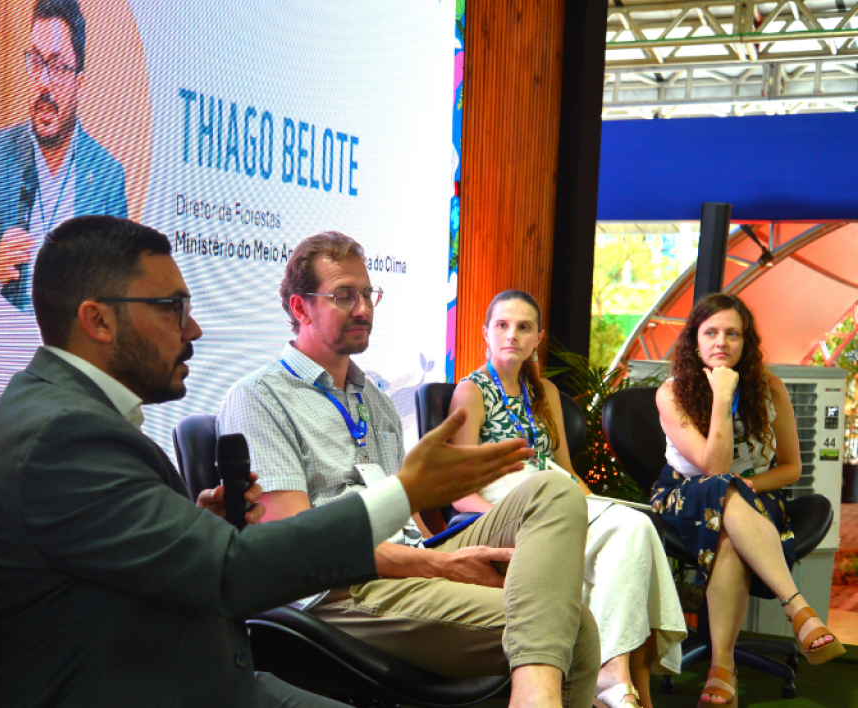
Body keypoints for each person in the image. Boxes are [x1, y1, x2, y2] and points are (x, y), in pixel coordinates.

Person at [0, 216, 533, 708]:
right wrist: (405, 493)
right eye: (172, 308)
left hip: (196, 672)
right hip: (149, 686)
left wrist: (198, 524)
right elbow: (230, 574)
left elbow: (133, 562)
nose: (194, 328)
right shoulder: (64, 436)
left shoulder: (63, 412)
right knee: (550, 629)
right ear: (98, 320)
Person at [217, 231, 601, 708]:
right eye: (344, 295)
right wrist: (440, 566)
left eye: (367, 294)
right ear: (301, 308)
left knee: (553, 490)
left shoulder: (374, 400)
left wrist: (443, 553)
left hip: (411, 560)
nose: (363, 308)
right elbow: (296, 547)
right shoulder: (260, 397)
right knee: (576, 628)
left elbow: (410, 513)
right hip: (339, 585)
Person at [448, 290, 687, 708]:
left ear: (538, 337)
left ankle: (615, 673)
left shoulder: (545, 391)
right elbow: (460, 492)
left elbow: (567, 470)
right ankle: (613, 678)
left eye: (524, 327)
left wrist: (593, 505)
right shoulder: (470, 391)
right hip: (508, 503)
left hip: (557, 491)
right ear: (485, 333)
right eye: (502, 325)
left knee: (635, 525)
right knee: (630, 530)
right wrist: (501, 520)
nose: (512, 335)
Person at [651, 293, 844, 707]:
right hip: (684, 495)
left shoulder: (770, 388)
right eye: (711, 333)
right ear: (694, 341)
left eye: (732, 334)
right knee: (722, 488)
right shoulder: (672, 393)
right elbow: (713, 468)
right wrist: (722, 396)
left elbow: (790, 467)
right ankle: (798, 608)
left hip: (754, 494)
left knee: (729, 524)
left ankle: (722, 669)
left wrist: (749, 485)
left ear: (746, 341)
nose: (721, 342)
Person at [0, 0, 127, 312]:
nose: (44, 83)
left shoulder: (108, 176)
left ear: (80, 82)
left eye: (59, 67)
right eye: (36, 62)